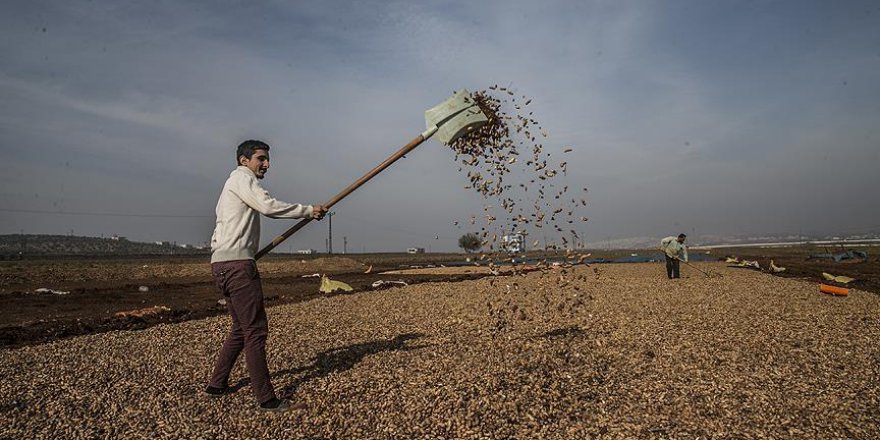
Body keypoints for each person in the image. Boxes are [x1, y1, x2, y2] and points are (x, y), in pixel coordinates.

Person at [205, 139, 327, 412]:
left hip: (222, 265)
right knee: (256, 330)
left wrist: (229, 253)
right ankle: (267, 399)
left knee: (240, 328)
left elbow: (220, 228)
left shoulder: (229, 187)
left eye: (267, 159)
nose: (266, 164)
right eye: (261, 158)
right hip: (238, 266)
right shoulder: (243, 180)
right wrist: (308, 210)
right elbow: (269, 207)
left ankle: (216, 384)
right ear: (243, 160)